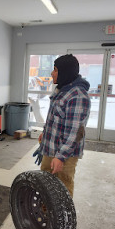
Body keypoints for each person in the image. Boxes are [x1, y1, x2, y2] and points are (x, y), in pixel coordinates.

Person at [37, 54, 91, 198]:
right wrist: (45, 132)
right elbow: (54, 118)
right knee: (46, 185)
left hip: (65, 154)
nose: (52, 73)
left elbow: (75, 133)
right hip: (50, 147)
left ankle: (62, 220)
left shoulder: (78, 96)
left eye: (55, 70)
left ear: (65, 72)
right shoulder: (62, 89)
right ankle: (47, 217)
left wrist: (60, 157)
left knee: (62, 190)